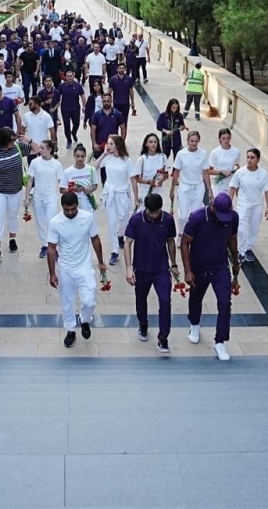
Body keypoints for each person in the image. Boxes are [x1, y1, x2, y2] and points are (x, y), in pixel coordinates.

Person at [181, 193, 242, 361]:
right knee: (196, 297)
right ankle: (194, 324)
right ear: (212, 206)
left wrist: (235, 261)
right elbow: (185, 242)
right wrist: (187, 270)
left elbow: (232, 238)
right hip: (199, 267)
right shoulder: (197, 218)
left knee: (225, 303)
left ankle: (220, 341)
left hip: (220, 266)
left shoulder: (233, 217)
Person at [48, 191, 107, 348]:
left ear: (78, 205)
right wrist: (52, 273)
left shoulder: (87, 217)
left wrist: (101, 262)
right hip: (65, 269)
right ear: (62, 207)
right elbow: (51, 248)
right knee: (67, 302)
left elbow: (95, 239)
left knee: (89, 301)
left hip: (84, 267)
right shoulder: (55, 222)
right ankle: (70, 330)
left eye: (73, 209)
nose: (70, 212)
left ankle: (85, 320)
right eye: (66, 210)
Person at [123, 193, 178, 352]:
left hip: (161, 269)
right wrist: (128, 268)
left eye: (157, 212)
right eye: (151, 212)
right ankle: (143, 324)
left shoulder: (168, 219)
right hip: (141, 269)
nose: (154, 215)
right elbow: (128, 243)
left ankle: (163, 337)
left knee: (165, 301)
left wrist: (174, 264)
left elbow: (170, 241)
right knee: (141, 298)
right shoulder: (136, 220)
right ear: (145, 208)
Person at [0, 127, 38, 261]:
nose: (13, 142)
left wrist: (29, 141)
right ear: (3, 141)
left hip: (15, 189)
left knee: (13, 215)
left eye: (14, 140)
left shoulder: (17, 147)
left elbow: (36, 150)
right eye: (11, 140)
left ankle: (12, 238)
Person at [94, 135, 137, 265]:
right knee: (112, 222)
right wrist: (104, 154)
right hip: (110, 193)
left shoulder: (127, 161)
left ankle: (120, 235)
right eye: (108, 143)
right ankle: (114, 251)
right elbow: (94, 167)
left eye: (111, 144)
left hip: (122, 193)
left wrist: (136, 198)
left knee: (124, 219)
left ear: (118, 145)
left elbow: (133, 180)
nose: (108, 146)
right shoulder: (107, 158)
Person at [229, 148, 268, 264]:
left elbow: (267, 191)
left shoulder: (263, 174)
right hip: (243, 204)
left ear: (258, 159)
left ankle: (248, 248)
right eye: (248, 157)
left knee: (254, 228)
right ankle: (240, 251)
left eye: (252, 158)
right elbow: (233, 187)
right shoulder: (240, 172)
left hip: (257, 205)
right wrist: (229, 203)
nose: (249, 160)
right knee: (241, 228)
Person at [25, 140, 64, 258]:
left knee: (51, 222)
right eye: (40, 148)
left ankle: (53, 247)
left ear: (50, 149)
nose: (39, 150)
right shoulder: (35, 162)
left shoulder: (57, 164)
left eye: (42, 148)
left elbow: (61, 181)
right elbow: (30, 181)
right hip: (38, 197)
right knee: (40, 223)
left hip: (51, 197)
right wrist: (27, 197)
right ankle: (45, 245)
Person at [170, 131, 212, 239]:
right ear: (187, 141)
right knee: (183, 215)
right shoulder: (181, 154)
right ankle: (181, 233)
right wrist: (172, 189)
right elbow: (176, 172)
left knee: (195, 215)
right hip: (185, 187)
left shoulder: (203, 154)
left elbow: (205, 173)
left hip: (198, 187)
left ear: (199, 141)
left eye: (196, 141)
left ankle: (192, 235)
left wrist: (209, 190)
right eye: (191, 141)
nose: (193, 143)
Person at [131, 133, 171, 208]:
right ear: (146, 144)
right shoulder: (142, 159)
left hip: (158, 191)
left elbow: (166, 174)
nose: (153, 144)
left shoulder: (163, 157)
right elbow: (136, 178)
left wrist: (161, 179)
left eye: (155, 142)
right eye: (151, 142)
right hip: (145, 191)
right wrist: (148, 182)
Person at [62, 144, 99, 213]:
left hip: (88, 203)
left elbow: (95, 185)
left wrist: (90, 190)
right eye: (78, 156)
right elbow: (62, 190)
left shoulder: (91, 169)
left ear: (85, 156)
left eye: (82, 156)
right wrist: (73, 189)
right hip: (74, 204)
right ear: (74, 156)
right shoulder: (67, 172)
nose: (80, 159)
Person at [89, 92, 127, 160]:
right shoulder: (96, 115)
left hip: (114, 146)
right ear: (102, 101)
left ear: (111, 101)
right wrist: (94, 144)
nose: (106, 103)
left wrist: (121, 143)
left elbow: (123, 129)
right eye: (104, 101)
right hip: (100, 146)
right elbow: (93, 130)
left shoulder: (118, 114)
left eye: (108, 101)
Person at [207, 127, 242, 197]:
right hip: (218, 185)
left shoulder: (236, 151)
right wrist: (221, 172)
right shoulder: (215, 152)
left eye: (228, 138)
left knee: (228, 203)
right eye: (223, 138)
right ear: (219, 139)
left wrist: (234, 170)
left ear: (230, 138)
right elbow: (209, 171)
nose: (226, 140)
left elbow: (237, 166)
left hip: (230, 184)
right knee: (220, 202)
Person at [22, 96, 56, 162]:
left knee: (44, 164)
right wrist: (24, 142)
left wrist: (53, 144)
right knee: (31, 165)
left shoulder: (46, 116)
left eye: (30, 104)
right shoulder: (26, 116)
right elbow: (23, 129)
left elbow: (52, 131)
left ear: (37, 105)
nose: (29, 106)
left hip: (44, 147)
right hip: (31, 146)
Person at [58, 71, 86, 149]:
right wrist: (56, 106)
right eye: (68, 76)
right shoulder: (62, 86)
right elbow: (58, 97)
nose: (69, 77)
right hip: (65, 109)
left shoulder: (78, 86)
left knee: (76, 123)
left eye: (71, 76)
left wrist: (84, 106)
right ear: (65, 77)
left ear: (73, 77)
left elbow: (83, 96)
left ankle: (73, 133)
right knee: (66, 125)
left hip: (75, 108)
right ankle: (69, 140)